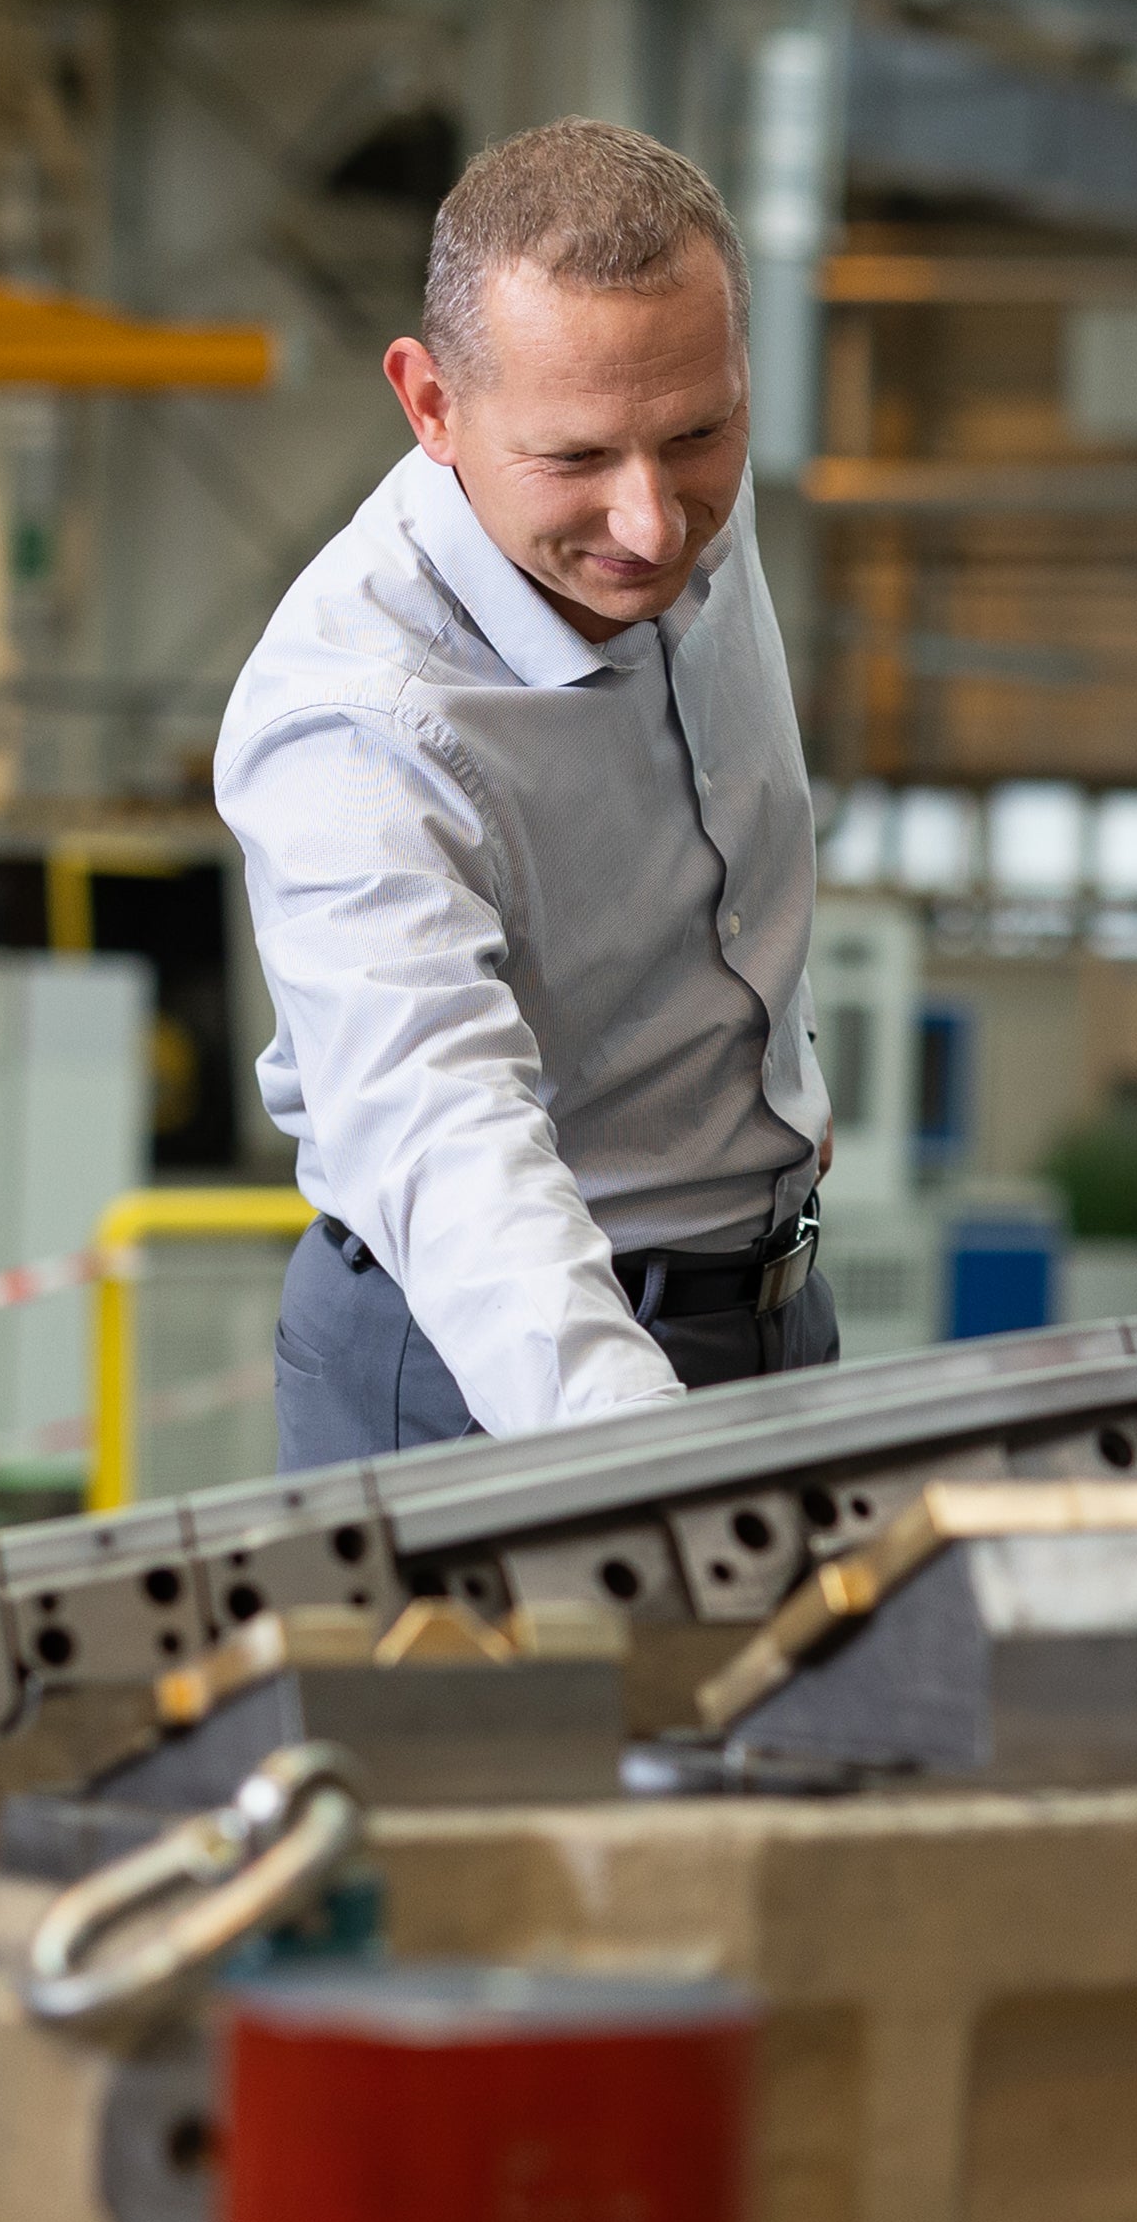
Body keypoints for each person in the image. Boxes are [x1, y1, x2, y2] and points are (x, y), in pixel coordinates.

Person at [222, 117, 837, 1462]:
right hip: (487, 1367)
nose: (652, 525)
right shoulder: (356, 722)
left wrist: (768, 1091)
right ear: (430, 403)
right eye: (575, 459)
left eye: (700, 433)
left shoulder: (668, 502)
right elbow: (444, 1143)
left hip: (770, 1312)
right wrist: (636, 1451)